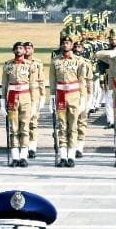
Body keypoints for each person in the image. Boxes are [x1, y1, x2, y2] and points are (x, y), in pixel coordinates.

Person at [49, 36, 87, 167]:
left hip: (74, 96)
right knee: (62, 126)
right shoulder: (55, 61)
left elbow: (82, 81)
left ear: (71, 45)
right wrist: (52, 97)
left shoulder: (79, 60)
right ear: (61, 45)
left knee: (73, 127)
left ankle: (71, 155)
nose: (65, 45)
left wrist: (83, 98)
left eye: (68, 43)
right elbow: (52, 80)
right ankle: (63, 156)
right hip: (60, 95)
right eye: (63, 43)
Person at [2, 41, 39, 167]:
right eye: (17, 48)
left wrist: (34, 103)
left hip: (25, 98)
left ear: (24, 51)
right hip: (12, 98)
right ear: (14, 50)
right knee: (13, 128)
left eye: (21, 48)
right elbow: (4, 85)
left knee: (25, 127)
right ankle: (15, 156)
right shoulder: (8, 65)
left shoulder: (30, 65)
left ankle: (23, 156)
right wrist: (2, 102)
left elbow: (33, 85)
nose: (19, 50)